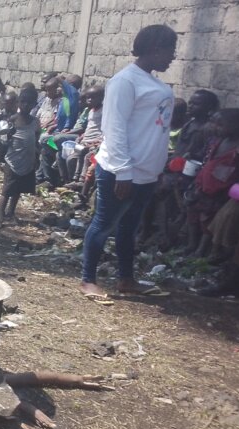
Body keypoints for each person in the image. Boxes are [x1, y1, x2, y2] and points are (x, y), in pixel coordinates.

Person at [80, 24, 177, 303]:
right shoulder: (126, 81)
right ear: (155, 49)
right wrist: (124, 171)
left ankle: (126, 279)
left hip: (146, 172)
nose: (172, 57)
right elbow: (115, 127)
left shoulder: (155, 83)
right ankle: (88, 279)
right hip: (121, 171)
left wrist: (156, 167)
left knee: (129, 227)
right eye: (170, 51)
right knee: (104, 223)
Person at [185, 109, 239, 257]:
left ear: (237, 126)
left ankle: (202, 251)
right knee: (193, 214)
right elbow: (207, 162)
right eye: (214, 123)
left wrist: (227, 194)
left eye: (220, 124)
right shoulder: (216, 142)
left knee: (210, 222)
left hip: (220, 194)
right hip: (201, 187)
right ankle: (191, 244)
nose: (214, 127)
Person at [0, 87, 40, 228]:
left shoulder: (35, 122)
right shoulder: (12, 120)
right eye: (23, 102)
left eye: (29, 103)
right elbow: (1, 140)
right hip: (13, 161)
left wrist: (37, 156)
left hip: (27, 161)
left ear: (34, 105)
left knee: (18, 190)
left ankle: (11, 213)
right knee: (7, 190)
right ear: (18, 103)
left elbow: (36, 139)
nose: (26, 105)